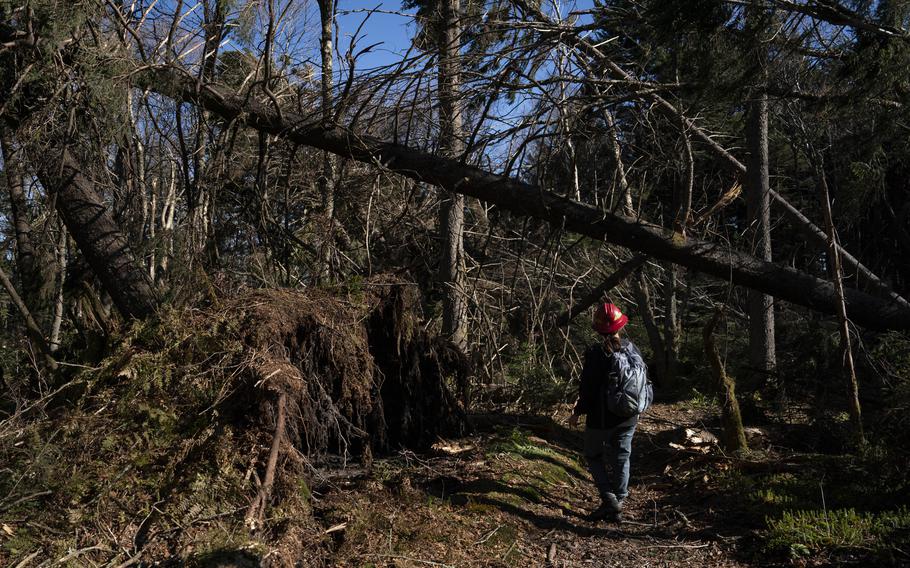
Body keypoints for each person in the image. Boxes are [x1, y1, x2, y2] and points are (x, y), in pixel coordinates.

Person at [568, 302, 645, 522]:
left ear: (599, 328)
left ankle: (609, 498)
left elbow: (588, 389)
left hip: (600, 419)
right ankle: (619, 501)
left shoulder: (596, 353)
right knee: (622, 456)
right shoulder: (632, 348)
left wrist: (577, 412)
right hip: (629, 416)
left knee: (592, 455)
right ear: (620, 325)